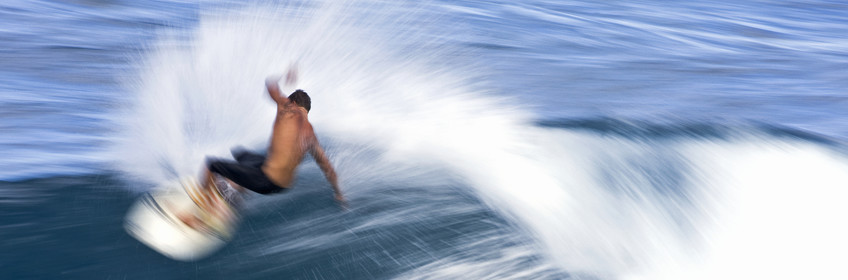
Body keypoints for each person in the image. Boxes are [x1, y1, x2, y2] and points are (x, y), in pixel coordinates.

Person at [187, 69, 345, 226]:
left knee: (211, 164)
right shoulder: (312, 136)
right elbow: (329, 169)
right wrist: (339, 194)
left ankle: (201, 215)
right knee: (241, 155)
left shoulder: (288, 107)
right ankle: (234, 190)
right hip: (281, 186)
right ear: (307, 110)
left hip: (264, 180)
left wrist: (284, 76)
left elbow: (270, 85)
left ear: (294, 102)